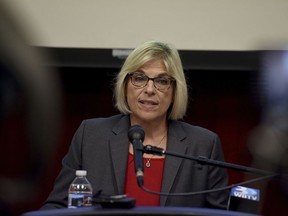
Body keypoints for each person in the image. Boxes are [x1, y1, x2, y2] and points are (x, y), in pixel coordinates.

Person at [41, 41, 228, 209]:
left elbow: (222, 215)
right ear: (125, 85)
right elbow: (58, 205)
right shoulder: (90, 135)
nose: (149, 90)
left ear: (175, 91)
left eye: (162, 81)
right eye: (139, 78)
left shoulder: (204, 144)